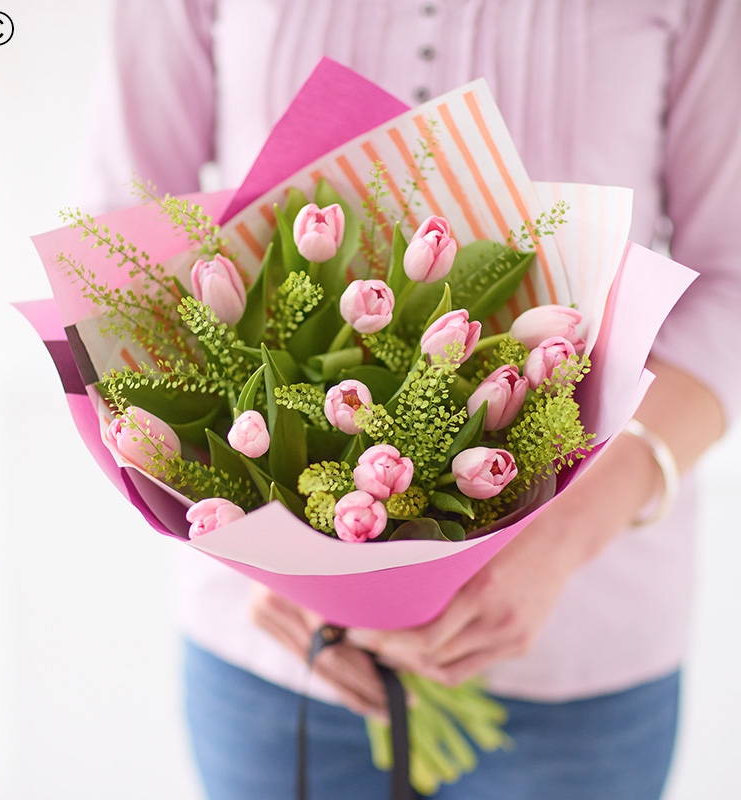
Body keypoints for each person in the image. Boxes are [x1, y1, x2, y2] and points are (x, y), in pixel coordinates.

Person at [75, 1, 741, 798]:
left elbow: (731, 276)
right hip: (274, 657)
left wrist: (566, 537)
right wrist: (260, 538)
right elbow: (121, 242)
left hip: (577, 658)